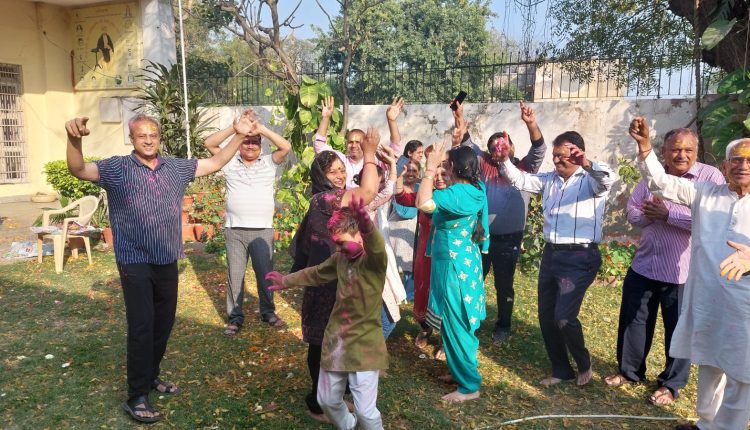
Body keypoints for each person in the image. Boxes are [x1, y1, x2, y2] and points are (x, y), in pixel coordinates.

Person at [64, 113, 252, 423]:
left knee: (162, 324)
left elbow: (216, 162)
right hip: (134, 258)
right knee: (142, 325)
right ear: (132, 138)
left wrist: (240, 134)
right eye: (142, 135)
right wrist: (74, 139)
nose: (148, 140)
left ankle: (151, 375)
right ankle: (136, 395)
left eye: (153, 134)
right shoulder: (116, 168)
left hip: (167, 257)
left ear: (159, 137)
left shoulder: (175, 168)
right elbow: (79, 169)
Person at [629, 117, 750, 430]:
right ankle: (706, 423)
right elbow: (660, 183)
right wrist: (645, 146)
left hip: (744, 307)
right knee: (710, 361)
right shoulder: (705, 193)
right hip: (708, 299)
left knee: (741, 372)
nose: (743, 166)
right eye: (737, 160)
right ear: (724, 166)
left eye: (749, 161)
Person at [604, 128, 724, 406]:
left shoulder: (709, 178)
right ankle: (630, 371)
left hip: (683, 272)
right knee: (634, 320)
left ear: (697, 152)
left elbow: (711, 221)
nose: (681, 155)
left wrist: (669, 215)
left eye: (688, 150)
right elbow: (632, 209)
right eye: (675, 149)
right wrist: (649, 216)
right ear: (664, 152)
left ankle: (671, 384)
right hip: (645, 263)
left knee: (678, 330)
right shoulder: (653, 175)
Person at [502, 130, 617, 387]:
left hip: (580, 257)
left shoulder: (590, 180)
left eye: (562, 155)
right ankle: (561, 369)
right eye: (554, 155)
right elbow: (521, 180)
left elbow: (608, 179)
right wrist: (504, 159)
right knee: (546, 315)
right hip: (552, 254)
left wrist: (587, 163)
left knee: (563, 317)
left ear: (577, 154)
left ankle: (583, 362)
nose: (556, 160)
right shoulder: (550, 179)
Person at [267, 194, 387, 430]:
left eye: (341, 243)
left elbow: (376, 245)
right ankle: (348, 426)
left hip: (365, 344)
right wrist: (287, 280)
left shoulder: (374, 262)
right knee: (327, 400)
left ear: (360, 236)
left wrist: (367, 225)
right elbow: (316, 273)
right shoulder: (340, 258)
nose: (338, 249)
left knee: (366, 411)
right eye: (335, 244)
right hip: (337, 340)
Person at [288, 129, 381, 423]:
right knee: (323, 342)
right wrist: (369, 153)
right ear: (321, 175)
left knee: (334, 338)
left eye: (342, 170)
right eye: (333, 171)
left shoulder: (326, 198)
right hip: (327, 282)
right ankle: (318, 403)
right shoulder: (326, 199)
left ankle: (334, 398)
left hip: (336, 276)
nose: (340, 175)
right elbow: (368, 192)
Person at [457, 101, 546, 344]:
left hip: (509, 239)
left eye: (504, 145)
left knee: (504, 285)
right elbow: (466, 141)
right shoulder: (483, 164)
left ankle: (503, 326)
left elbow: (539, 148)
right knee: (474, 280)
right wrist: (459, 115)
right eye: (495, 146)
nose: (500, 149)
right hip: (481, 235)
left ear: (512, 147)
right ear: (488, 152)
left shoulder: (524, 168)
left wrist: (531, 123)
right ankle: (469, 321)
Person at [204, 110, 292, 336]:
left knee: (265, 274)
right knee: (235, 276)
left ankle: (268, 312)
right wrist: (236, 130)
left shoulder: (269, 162)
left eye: (255, 142)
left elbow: (285, 147)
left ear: (261, 145)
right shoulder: (228, 161)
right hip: (235, 230)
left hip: (262, 230)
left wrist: (261, 129)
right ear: (240, 143)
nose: (250, 145)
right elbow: (209, 143)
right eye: (246, 141)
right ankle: (235, 317)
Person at [416, 143, 489, 402]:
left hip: (454, 267)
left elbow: (423, 202)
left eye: (447, 165)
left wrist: (429, 170)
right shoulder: (475, 189)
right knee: (453, 321)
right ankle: (460, 371)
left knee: (457, 322)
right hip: (461, 262)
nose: (444, 169)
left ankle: (469, 386)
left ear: (456, 167)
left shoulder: (457, 193)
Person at [395, 157, 452, 353]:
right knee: (423, 291)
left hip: (445, 256)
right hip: (425, 255)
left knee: (444, 295)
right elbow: (402, 198)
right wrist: (399, 176)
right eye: (436, 174)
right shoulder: (426, 195)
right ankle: (425, 329)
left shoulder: (455, 199)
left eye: (444, 174)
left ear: (451, 175)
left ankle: (445, 340)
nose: (439, 178)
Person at [357, 146, 406, 340]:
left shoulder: (367, 204)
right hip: (368, 271)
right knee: (387, 320)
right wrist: (392, 163)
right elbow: (388, 191)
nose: (380, 185)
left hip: (375, 268)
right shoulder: (364, 204)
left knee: (384, 319)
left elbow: (390, 189)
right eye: (376, 181)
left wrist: (392, 165)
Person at [314, 96, 404, 188]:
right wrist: (326, 118)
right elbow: (319, 145)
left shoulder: (375, 161)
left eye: (358, 142)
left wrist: (391, 121)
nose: (353, 145)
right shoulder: (341, 161)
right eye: (350, 142)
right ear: (346, 144)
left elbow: (395, 153)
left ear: (365, 144)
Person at [389, 160, 421, 300]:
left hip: (414, 231)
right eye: (408, 170)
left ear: (419, 173)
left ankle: (410, 293)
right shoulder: (397, 187)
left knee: (412, 263)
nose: (411, 173)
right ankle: (393, 292)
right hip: (396, 230)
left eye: (414, 171)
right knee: (394, 263)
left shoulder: (421, 188)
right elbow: (404, 212)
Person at [385, 96, 425, 175]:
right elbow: (395, 141)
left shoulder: (422, 167)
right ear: (409, 153)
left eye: (422, 153)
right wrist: (391, 121)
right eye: (419, 152)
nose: (421, 155)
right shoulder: (401, 163)